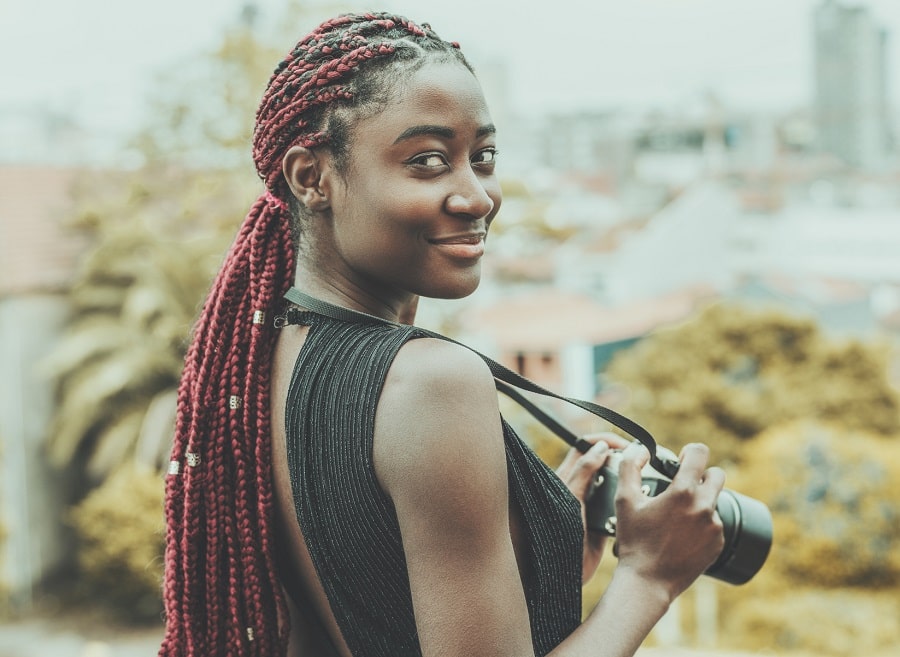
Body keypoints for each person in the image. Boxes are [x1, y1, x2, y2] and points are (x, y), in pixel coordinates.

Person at [158, 11, 726, 657]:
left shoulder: (265, 355)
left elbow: (362, 592)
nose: (476, 195)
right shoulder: (430, 384)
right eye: (427, 162)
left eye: (481, 157)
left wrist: (539, 551)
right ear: (310, 177)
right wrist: (651, 576)